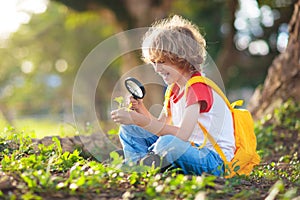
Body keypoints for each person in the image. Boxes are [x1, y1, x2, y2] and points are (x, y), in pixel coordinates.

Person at [111, 15, 236, 176]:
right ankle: (140, 168)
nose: (156, 69)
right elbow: (160, 126)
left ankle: (149, 164)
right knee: (129, 129)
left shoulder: (198, 87)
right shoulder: (174, 90)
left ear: (182, 58)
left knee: (168, 143)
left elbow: (183, 134)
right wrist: (141, 112)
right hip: (187, 148)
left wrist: (138, 119)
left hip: (213, 160)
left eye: (162, 62)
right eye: (154, 62)